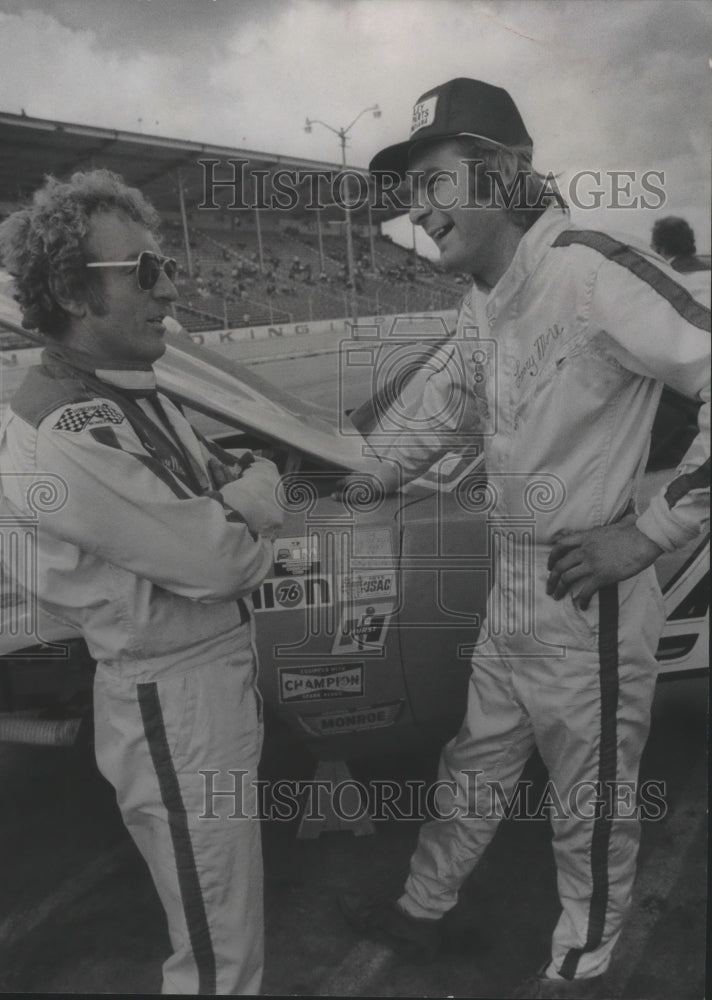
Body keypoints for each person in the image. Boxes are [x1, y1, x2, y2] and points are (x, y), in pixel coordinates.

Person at [338, 77, 710, 999]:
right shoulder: (485, 301)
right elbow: (433, 413)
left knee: (588, 808)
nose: (417, 212)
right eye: (410, 191)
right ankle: (423, 909)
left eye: (435, 184)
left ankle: (579, 970)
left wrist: (653, 533)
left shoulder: (591, 270)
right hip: (510, 587)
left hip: (589, 588)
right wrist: (352, 473)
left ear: (507, 173)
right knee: (472, 765)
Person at [0, 169, 282, 995]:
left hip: (202, 685)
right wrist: (244, 510)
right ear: (72, 292)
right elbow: (225, 558)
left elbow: (246, 482)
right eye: (144, 271)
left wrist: (238, 505)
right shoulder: (69, 427)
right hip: (173, 700)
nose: (170, 287)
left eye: (166, 265)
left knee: (228, 928)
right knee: (218, 950)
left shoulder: (129, 392)